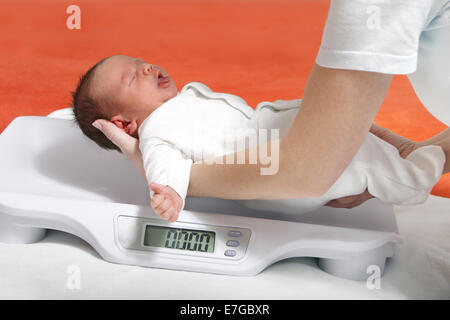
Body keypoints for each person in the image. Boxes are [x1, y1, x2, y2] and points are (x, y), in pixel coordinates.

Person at [92, 0, 450, 215]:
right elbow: (161, 164)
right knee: (379, 164)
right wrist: (170, 187)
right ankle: (417, 171)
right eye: (130, 78)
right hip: (283, 163)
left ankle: (408, 158)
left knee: (367, 149)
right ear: (123, 125)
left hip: (286, 151)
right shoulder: (157, 131)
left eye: (141, 61)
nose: (147, 67)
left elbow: (308, 167)